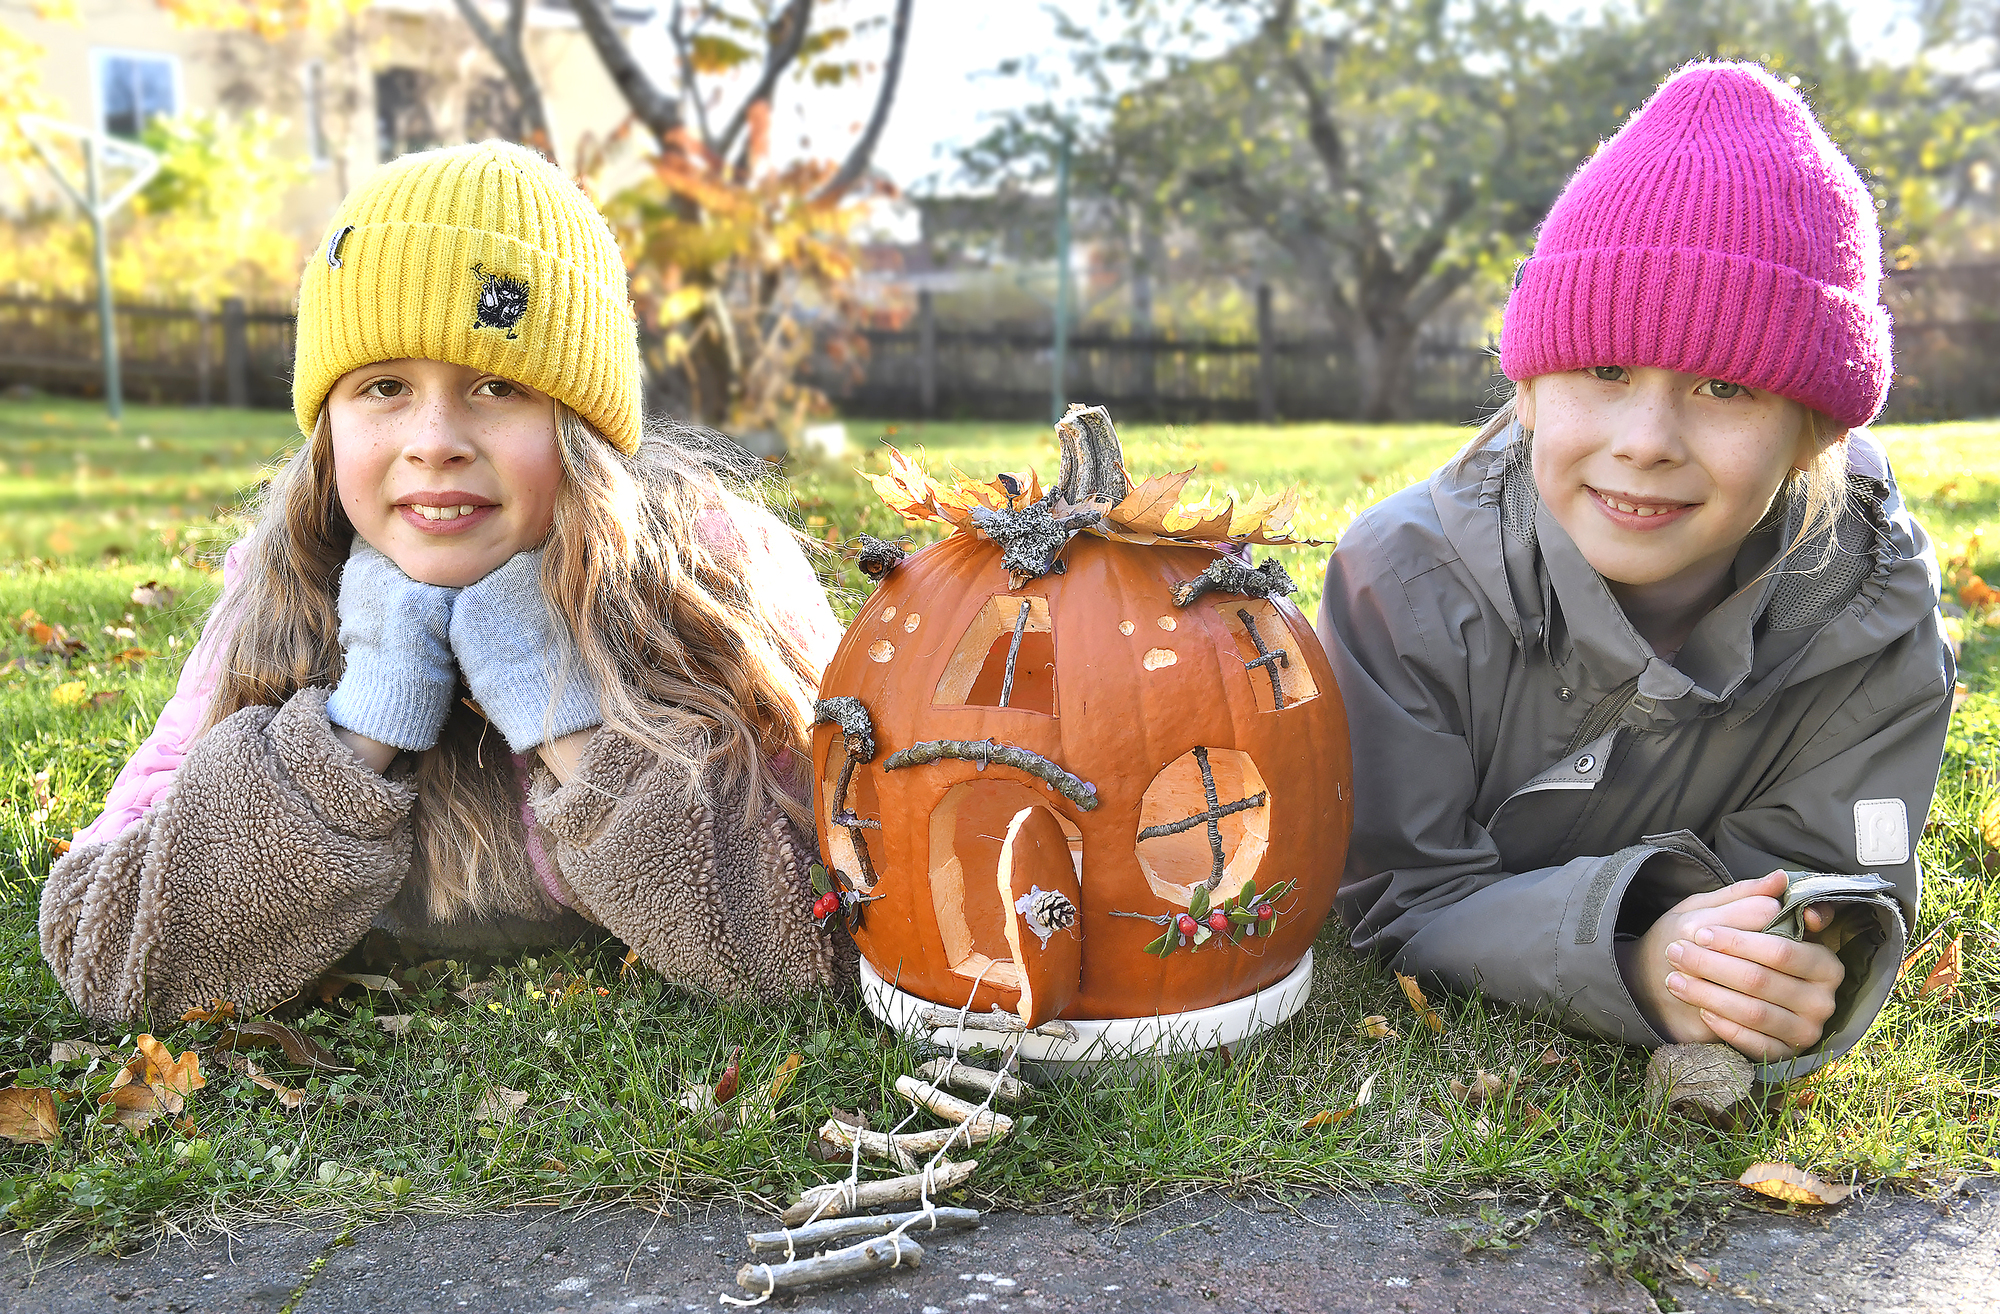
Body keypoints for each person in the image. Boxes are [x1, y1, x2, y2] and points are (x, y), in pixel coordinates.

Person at [41, 141, 852, 1024]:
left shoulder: (710, 568)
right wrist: (366, 718)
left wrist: (564, 703)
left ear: (581, 428)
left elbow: (840, 933)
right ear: (330, 428)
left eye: (498, 386)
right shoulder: (283, 584)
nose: (435, 439)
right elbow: (111, 950)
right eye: (385, 386)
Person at [1315, 62, 1954, 1079]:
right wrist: (1632, 957)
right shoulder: (1399, 584)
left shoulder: (1871, 623)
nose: (1645, 440)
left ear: (1813, 430)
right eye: (1602, 371)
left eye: (1722, 386)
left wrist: (1761, 960)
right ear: (1525, 390)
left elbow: (1835, 879)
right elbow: (1400, 890)